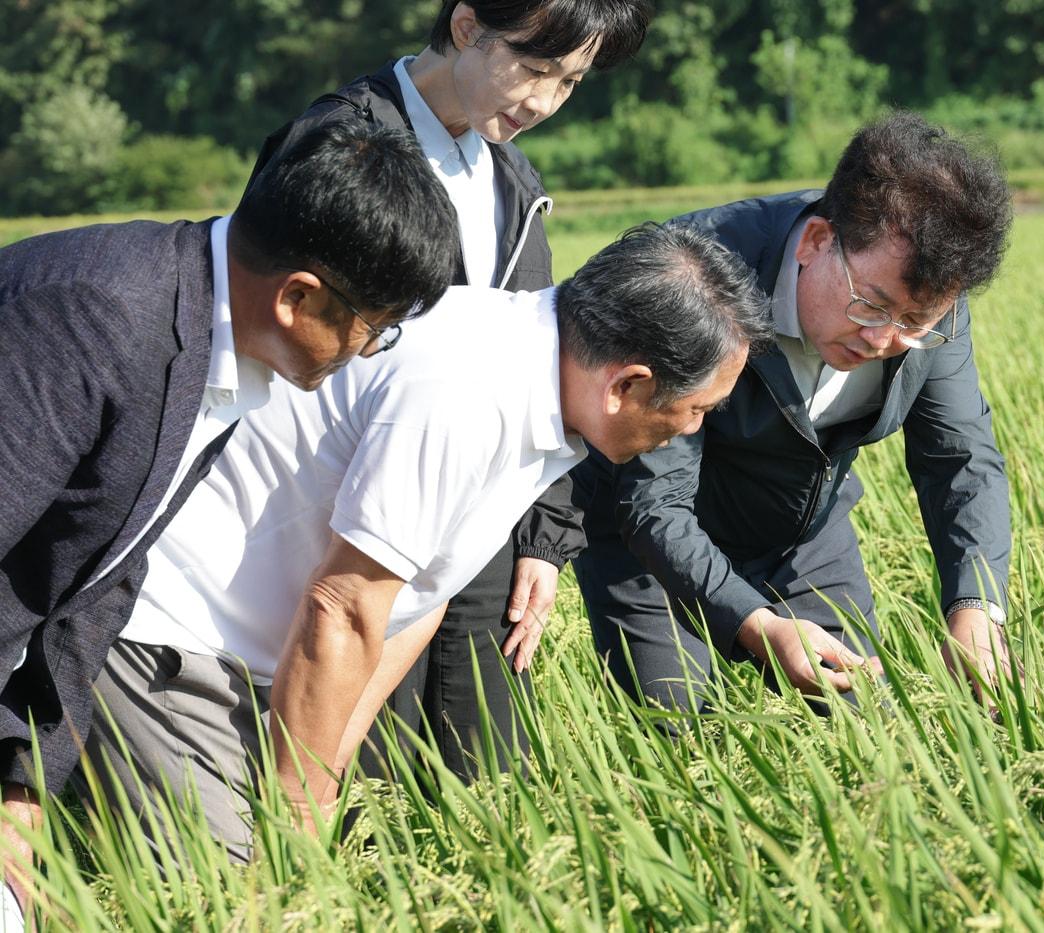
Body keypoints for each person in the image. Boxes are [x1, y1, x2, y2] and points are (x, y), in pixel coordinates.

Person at [79, 224, 771, 860]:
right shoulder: (470, 392)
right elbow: (342, 606)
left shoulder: (547, 383)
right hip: (171, 632)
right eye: (697, 409)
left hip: (268, 654)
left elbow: (419, 592)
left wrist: (329, 768)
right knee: (222, 891)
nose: (691, 430)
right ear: (628, 384)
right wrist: (299, 816)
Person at [0, 121, 460, 921]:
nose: (368, 351)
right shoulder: (92, 324)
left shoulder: (218, 350)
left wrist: (22, 777)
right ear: (298, 297)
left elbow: (97, 583)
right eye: (372, 327)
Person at [250, 0, 652, 781]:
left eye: (569, 82)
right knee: (358, 771)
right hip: (352, 514)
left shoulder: (510, 177)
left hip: (478, 518)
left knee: (488, 771)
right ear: (467, 25)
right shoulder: (340, 143)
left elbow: (544, 353)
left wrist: (543, 538)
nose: (543, 101)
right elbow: (276, 333)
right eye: (533, 68)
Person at [572, 112, 1017, 712]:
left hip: (800, 527)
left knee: (862, 723)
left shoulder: (930, 311)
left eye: (917, 322)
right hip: (649, 535)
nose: (883, 340)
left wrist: (976, 607)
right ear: (817, 242)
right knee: (679, 728)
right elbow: (655, 501)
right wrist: (758, 624)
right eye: (871, 306)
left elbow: (960, 460)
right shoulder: (694, 280)